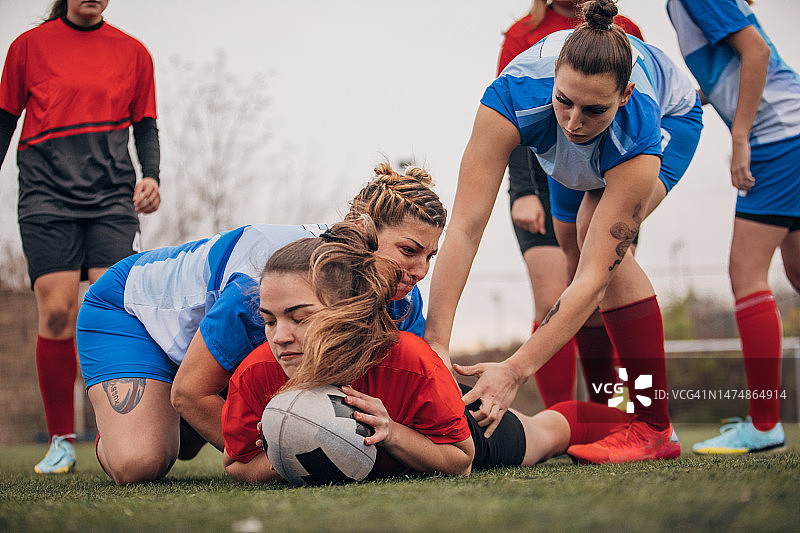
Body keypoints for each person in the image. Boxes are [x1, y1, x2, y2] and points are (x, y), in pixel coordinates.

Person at [424, 0, 703, 464]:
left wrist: (514, 370)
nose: (573, 122)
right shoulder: (512, 96)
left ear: (624, 96)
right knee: (569, 251)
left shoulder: (638, 129)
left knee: (602, 254)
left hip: (675, 122)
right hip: (569, 155)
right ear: (553, 74)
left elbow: (594, 278)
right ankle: (606, 409)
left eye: (593, 109)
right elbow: (467, 227)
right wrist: (437, 340)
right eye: (564, 101)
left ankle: (654, 425)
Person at [76, 163, 447, 484]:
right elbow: (189, 392)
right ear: (363, 230)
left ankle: (182, 422)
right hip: (128, 310)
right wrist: (289, 454)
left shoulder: (402, 299)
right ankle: (132, 420)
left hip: (200, 348)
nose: (420, 272)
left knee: (192, 418)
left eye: (430, 256)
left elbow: (400, 393)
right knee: (141, 462)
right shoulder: (265, 285)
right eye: (408, 251)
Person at [222, 219, 657, 484]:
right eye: (269, 319)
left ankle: (645, 423)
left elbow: (460, 461)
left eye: (299, 316)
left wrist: (390, 431)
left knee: (548, 433)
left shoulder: (408, 360)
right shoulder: (257, 374)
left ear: (346, 312)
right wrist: (288, 450)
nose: (278, 336)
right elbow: (237, 465)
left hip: (447, 436)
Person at [0, 0, 160, 474]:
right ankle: (61, 442)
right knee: (55, 311)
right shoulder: (27, 48)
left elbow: (145, 125)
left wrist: (151, 176)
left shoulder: (133, 52)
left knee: (116, 307)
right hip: (46, 195)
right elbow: (4, 122)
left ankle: (122, 431)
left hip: (112, 197)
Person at [667, 0, 800, 454]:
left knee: (746, 276)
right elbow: (724, 74)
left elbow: (756, 53)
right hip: (790, 130)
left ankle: (765, 426)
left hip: (778, 137)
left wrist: (741, 134)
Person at [499, 0, 644, 407]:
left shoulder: (625, 29)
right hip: (543, 178)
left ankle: (606, 412)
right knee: (552, 299)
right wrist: (523, 189)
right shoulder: (523, 33)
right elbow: (510, 113)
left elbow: (640, 115)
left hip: (609, 177)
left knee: (600, 295)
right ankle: (561, 413)